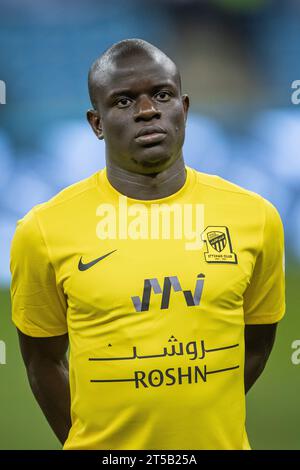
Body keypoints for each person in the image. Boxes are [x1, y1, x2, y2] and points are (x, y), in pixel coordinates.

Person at [10, 38, 285, 450]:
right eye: (123, 101)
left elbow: (257, 344)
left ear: (184, 108)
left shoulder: (255, 218)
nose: (147, 111)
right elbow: (42, 361)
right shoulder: (43, 230)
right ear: (96, 123)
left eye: (161, 94)